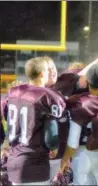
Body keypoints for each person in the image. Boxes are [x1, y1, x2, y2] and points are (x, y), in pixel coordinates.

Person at [1, 57, 66, 185]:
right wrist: (54, 147)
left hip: (14, 161)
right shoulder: (46, 95)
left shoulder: (14, 92)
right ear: (42, 73)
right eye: (47, 70)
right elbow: (51, 134)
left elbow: (7, 118)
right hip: (35, 163)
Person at [59, 64, 98, 185]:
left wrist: (64, 160)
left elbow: (73, 141)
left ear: (87, 82)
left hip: (81, 153)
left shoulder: (78, 101)